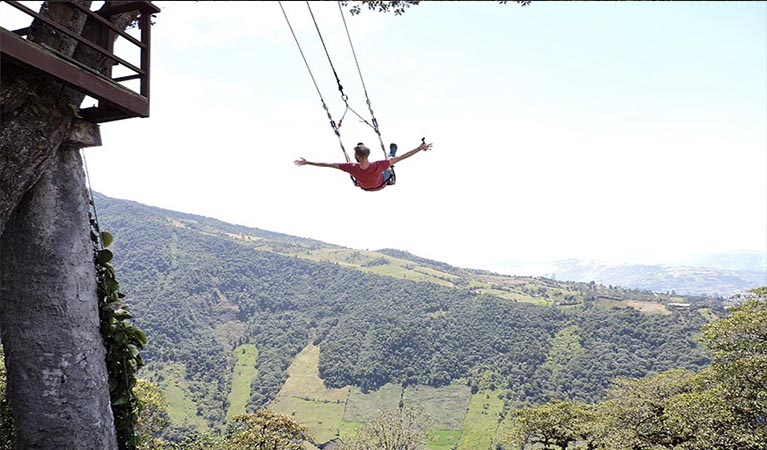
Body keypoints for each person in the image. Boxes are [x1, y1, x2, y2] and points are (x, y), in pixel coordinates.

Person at [294, 140, 433, 191]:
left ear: (357, 157)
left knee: (388, 164)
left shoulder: (351, 167)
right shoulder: (378, 165)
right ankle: (391, 153)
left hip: (366, 187)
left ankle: (388, 153)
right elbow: (403, 157)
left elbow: (328, 164)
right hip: (380, 185)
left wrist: (308, 162)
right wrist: (419, 149)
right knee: (390, 161)